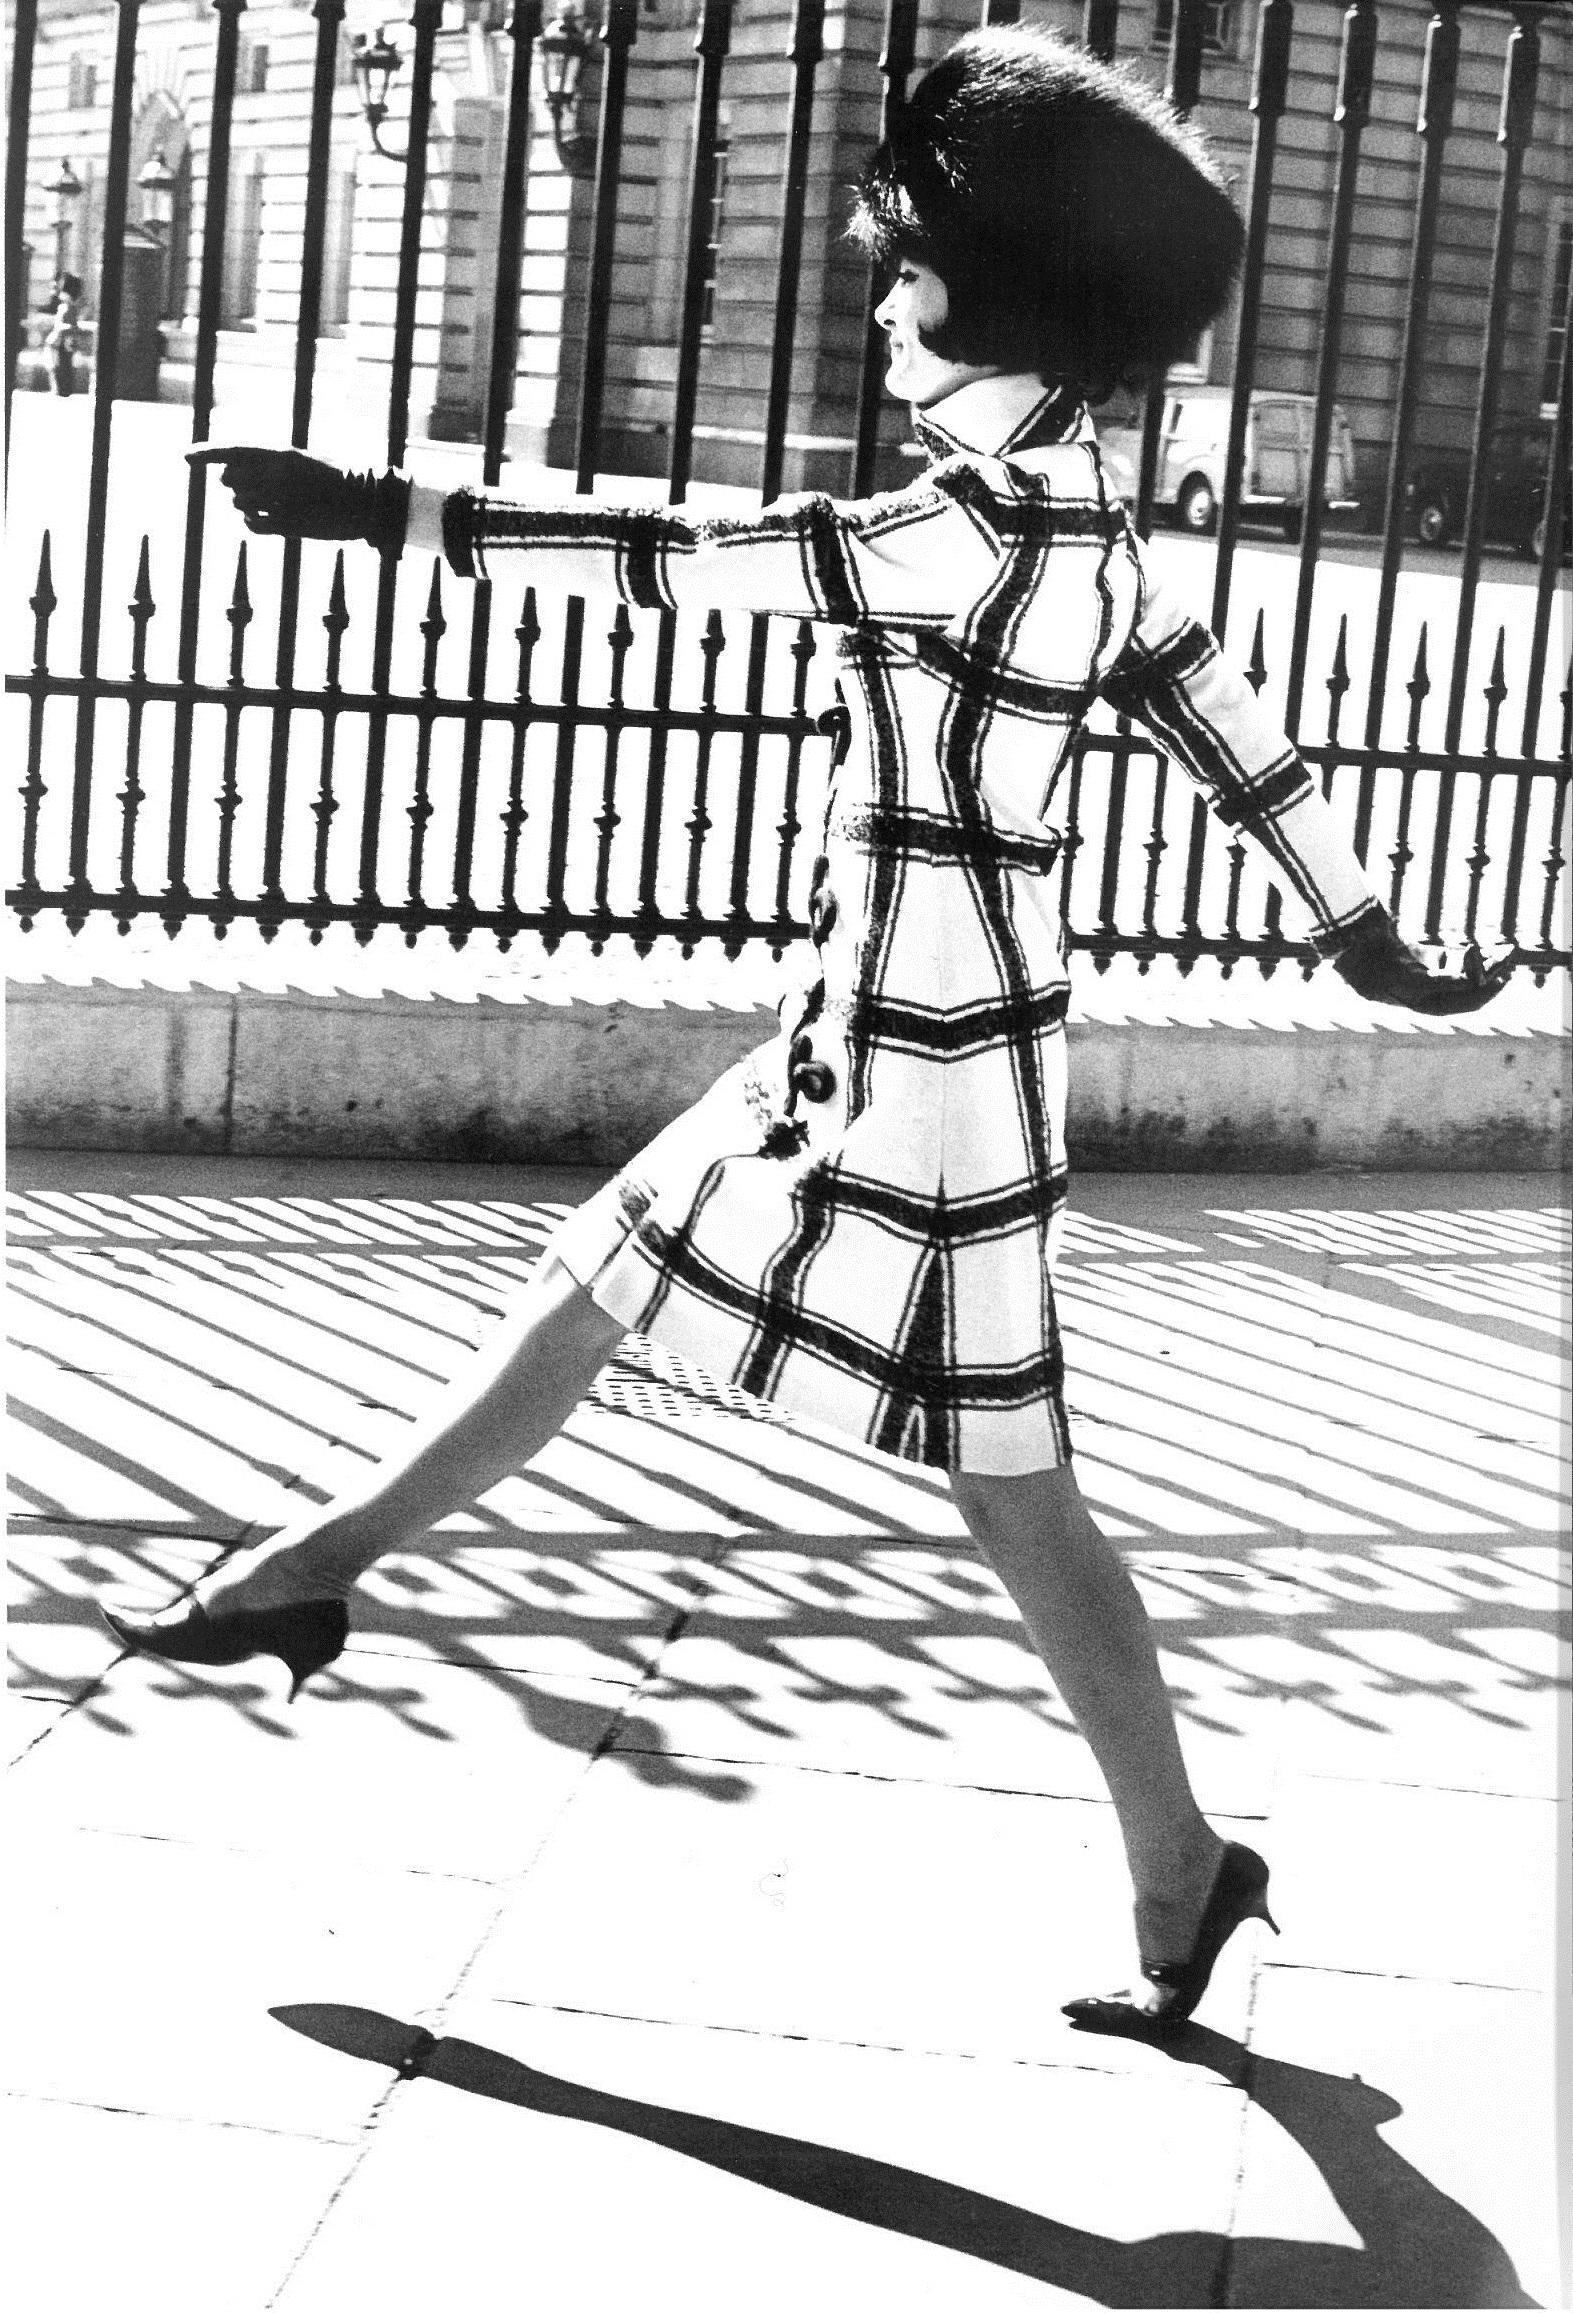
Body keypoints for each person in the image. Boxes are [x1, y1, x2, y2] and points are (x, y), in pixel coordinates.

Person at [109, 27, 1510, 2034]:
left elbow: (683, 559)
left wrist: (382, 511)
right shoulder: (1083, 526)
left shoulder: (964, 533)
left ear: (1000, 298)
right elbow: (1240, 736)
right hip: (900, 1029)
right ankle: (302, 1572)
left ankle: (1189, 1868)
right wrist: (1361, 925)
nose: (875, 305)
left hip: (922, 1066)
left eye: (902, 272)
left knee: (1004, 1479)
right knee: (606, 1281)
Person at [46, 272, 83, 397]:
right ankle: (61, 389)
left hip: (62, 341)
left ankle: (62, 390)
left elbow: (70, 325)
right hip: (63, 341)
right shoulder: (67, 307)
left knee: (60, 366)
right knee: (60, 366)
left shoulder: (67, 307)